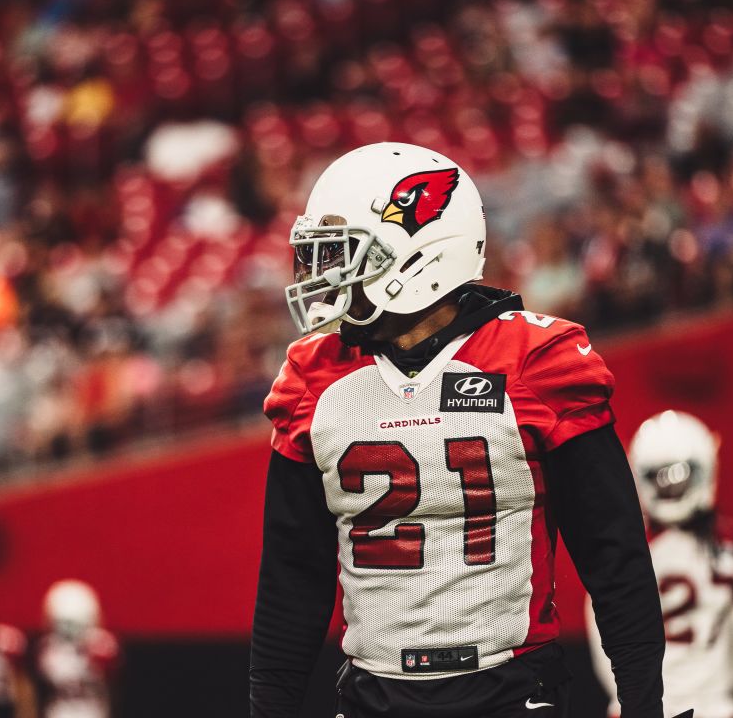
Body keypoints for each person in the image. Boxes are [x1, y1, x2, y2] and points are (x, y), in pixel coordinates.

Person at [250, 142, 665, 718]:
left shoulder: (536, 361)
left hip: (510, 689)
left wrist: (644, 703)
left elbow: (613, 555)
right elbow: (293, 579)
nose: (324, 275)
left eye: (345, 254)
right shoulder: (313, 376)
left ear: (420, 254)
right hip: (372, 694)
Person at [587, 411, 733, 718]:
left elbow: (602, 646)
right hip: (715, 709)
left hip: (646, 707)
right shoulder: (726, 547)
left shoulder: (625, 547)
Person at [36, 580, 119, 718]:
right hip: (62, 712)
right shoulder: (50, 649)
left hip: (91, 712)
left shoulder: (102, 644)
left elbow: (111, 676)